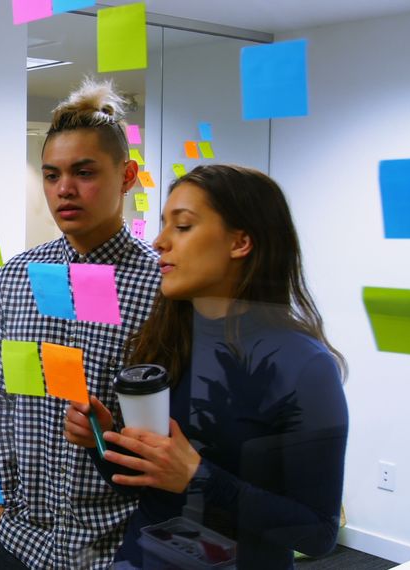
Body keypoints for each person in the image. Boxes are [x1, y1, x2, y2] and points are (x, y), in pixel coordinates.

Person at [64, 164, 349, 568]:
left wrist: (199, 477)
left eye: (182, 226)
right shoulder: (164, 339)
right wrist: (102, 440)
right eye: (163, 225)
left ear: (240, 242)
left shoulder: (304, 366)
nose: (160, 242)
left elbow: (318, 534)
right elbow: (145, 485)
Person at [0, 78, 161, 569]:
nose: (65, 189)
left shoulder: (161, 286)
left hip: (115, 546)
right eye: (52, 175)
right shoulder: (18, 276)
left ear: (127, 176)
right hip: (20, 540)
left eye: (84, 172)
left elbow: (169, 422)